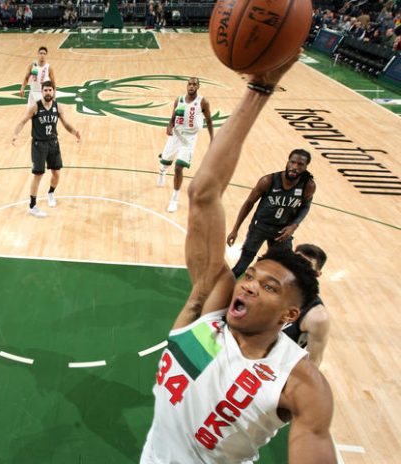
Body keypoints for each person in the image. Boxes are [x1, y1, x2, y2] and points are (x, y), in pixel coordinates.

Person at [141, 53, 334, 464]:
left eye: (269, 287)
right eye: (251, 276)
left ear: (290, 315)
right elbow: (204, 192)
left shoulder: (297, 381)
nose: (247, 285)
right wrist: (259, 89)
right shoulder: (208, 309)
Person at [227, 149, 316, 277]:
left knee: (283, 267)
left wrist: (294, 225)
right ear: (288, 162)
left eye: (300, 164)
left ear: (306, 167)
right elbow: (249, 203)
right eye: (292, 162)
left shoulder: (308, 185)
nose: (295, 167)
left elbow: (305, 207)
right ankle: (223, 286)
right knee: (242, 265)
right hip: (260, 226)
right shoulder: (268, 181)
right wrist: (235, 229)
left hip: (282, 230)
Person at [12, 81, 81, 218]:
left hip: (53, 143)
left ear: (54, 91)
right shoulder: (35, 107)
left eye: (50, 90)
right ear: (42, 92)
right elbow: (22, 121)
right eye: (45, 90)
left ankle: (50, 193)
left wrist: (75, 132)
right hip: (39, 145)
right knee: (38, 175)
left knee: (56, 173)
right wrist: (15, 134)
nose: (48, 92)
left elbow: (66, 124)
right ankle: (32, 206)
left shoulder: (57, 107)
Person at [157, 77, 213, 213]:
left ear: (198, 87)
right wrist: (169, 126)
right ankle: (162, 171)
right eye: (189, 84)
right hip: (176, 135)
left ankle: (174, 200)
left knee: (178, 168)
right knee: (165, 162)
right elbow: (173, 117)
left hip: (189, 139)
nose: (191, 86)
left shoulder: (202, 102)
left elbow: (209, 121)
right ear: (187, 86)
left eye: (194, 84)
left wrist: (213, 139)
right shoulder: (180, 100)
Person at [283, 243, 330, 367]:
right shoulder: (265, 284)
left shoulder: (316, 316)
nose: (298, 268)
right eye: (296, 261)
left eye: (306, 265)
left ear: (317, 274)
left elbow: (313, 363)